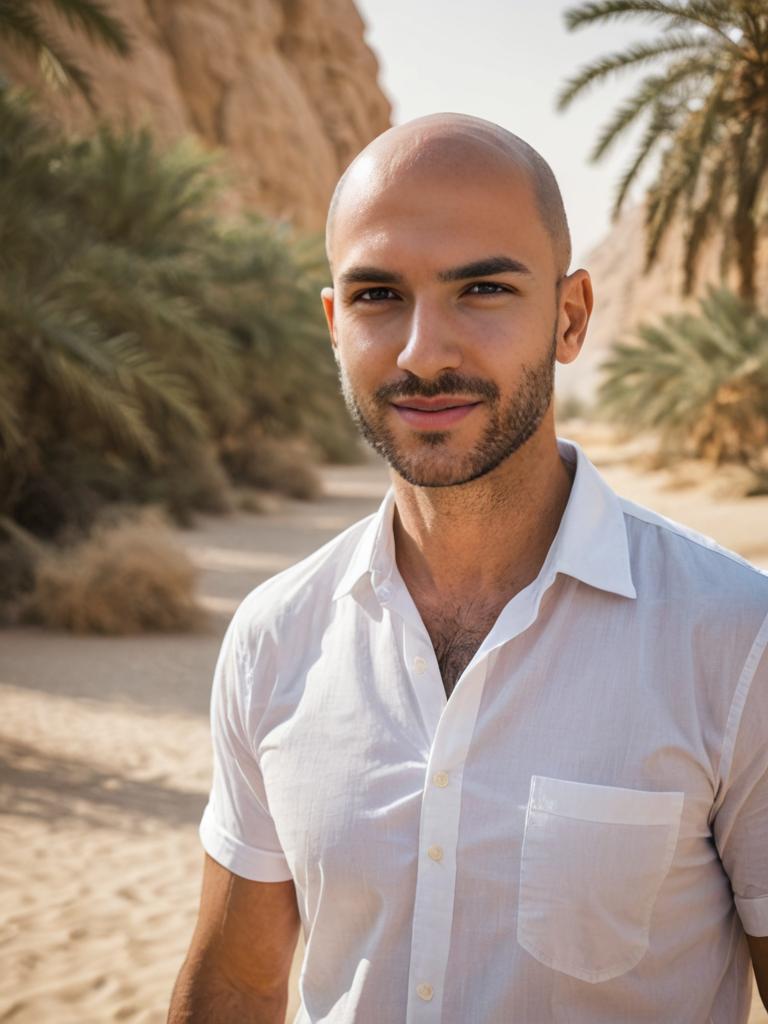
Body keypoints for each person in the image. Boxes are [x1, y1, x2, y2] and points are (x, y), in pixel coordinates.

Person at [167, 113, 768, 1023]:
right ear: (334, 326)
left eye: (482, 288)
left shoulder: (735, 639)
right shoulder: (275, 635)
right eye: (377, 296)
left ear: (569, 319)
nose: (423, 353)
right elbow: (242, 986)